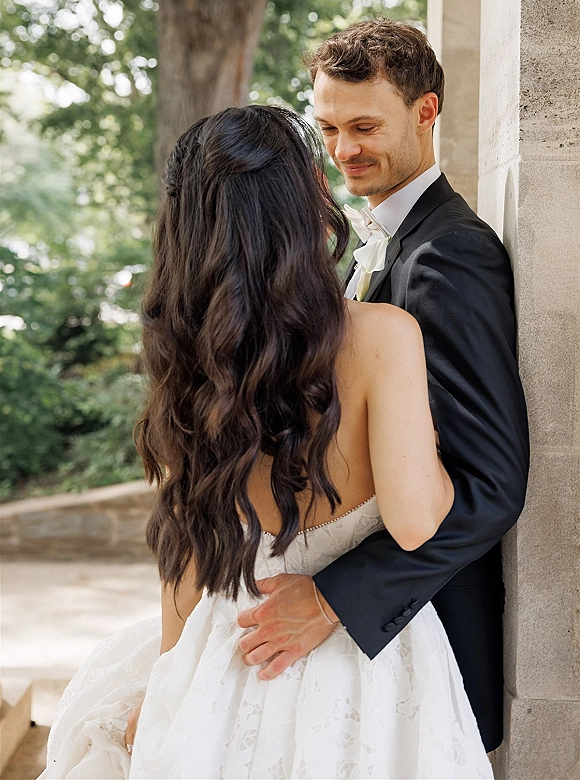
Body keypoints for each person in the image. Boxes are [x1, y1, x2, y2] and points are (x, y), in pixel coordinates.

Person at [40, 104, 493, 779]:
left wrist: (169, 681)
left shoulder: (189, 362)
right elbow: (417, 519)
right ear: (304, 196)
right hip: (368, 674)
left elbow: (186, 557)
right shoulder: (383, 336)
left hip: (227, 650)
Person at [236, 19, 530, 754]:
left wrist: (334, 599)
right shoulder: (378, 243)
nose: (343, 151)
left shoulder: (451, 256)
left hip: (421, 632)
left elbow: (492, 483)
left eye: (365, 126)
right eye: (329, 128)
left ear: (426, 111)